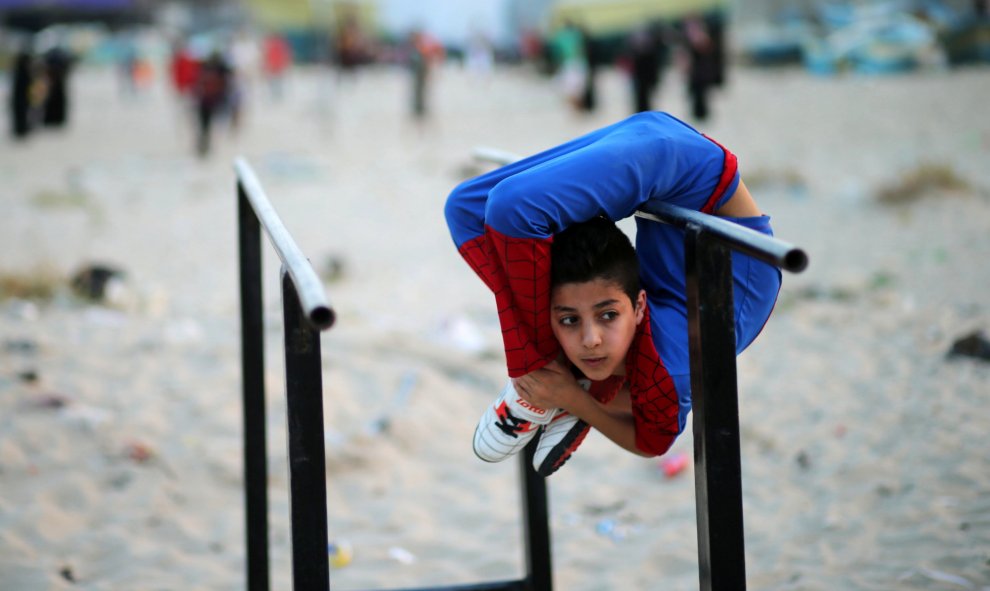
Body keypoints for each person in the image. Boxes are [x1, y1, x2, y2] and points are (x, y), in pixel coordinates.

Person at [444, 111, 781, 476]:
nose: (591, 341)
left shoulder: (651, 351)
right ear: (640, 307)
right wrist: (573, 395)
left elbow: (649, 439)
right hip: (705, 202)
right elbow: (653, 441)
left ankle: (547, 377)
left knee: (466, 210)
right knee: (513, 210)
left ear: (637, 307)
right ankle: (543, 372)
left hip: (663, 147)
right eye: (570, 321)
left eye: (606, 316)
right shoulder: (672, 368)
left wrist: (570, 398)